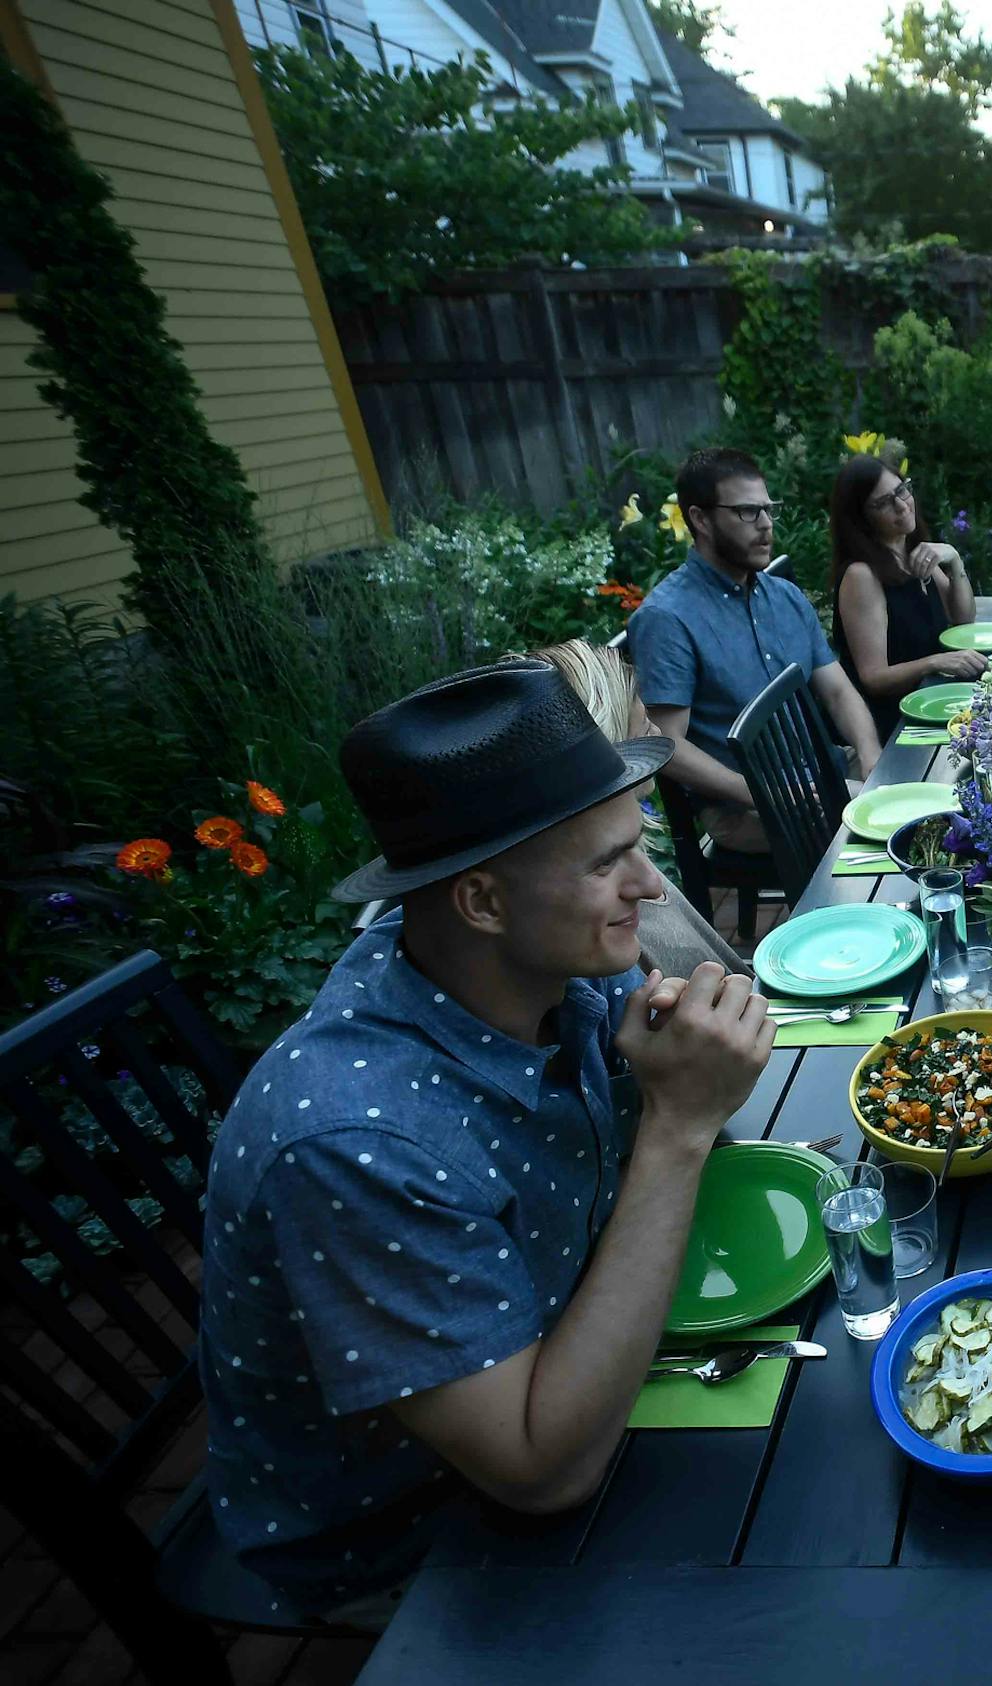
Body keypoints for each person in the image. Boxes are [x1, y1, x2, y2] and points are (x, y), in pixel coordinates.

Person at [197, 660, 776, 1623]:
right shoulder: (349, 1142)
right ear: (481, 901)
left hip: (563, 1351)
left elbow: (689, 1046)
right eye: (608, 864)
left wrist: (686, 1062)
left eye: (640, 845)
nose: (651, 887)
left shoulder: (540, 960)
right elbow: (541, 1476)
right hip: (417, 1529)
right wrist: (676, 1127)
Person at [628, 447, 881, 853]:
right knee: (886, 839)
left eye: (768, 509)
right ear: (700, 519)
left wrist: (871, 757)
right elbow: (666, 744)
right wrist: (764, 793)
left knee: (927, 792)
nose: (765, 525)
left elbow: (837, 690)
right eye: (747, 512)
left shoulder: (783, 596)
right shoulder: (667, 618)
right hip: (745, 807)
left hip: (824, 770)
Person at [528, 638, 749, 981]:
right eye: (646, 727)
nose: (659, 734)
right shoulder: (608, 933)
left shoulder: (624, 865)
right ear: (617, 748)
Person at [828, 454, 985, 737]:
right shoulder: (861, 576)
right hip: (894, 723)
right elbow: (873, 678)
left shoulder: (910, 550)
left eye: (901, 490)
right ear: (860, 518)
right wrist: (937, 662)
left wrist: (955, 562)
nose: (901, 506)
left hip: (932, 700)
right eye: (883, 503)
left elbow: (962, 618)